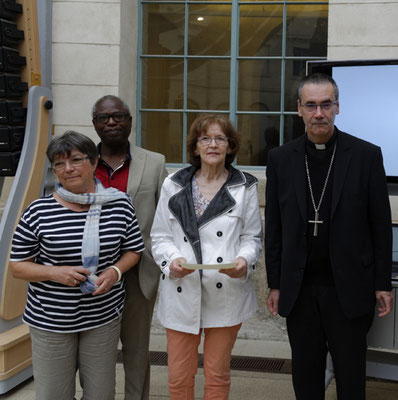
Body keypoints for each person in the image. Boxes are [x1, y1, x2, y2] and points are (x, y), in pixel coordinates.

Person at [265, 73, 393, 399]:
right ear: (299, 109)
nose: (318, 113)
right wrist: (275, 283)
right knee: (306, 379)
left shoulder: (365, 156)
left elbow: (380, 224)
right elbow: (275, 227)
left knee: (351, 380)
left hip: (349, 289)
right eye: (311, 105)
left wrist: (383, 283)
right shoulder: (281, 159)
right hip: (300, 289)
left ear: (337, 106)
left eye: (325, 104)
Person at [9, 131, 144, 400]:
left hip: (101, 317)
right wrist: (53, 272)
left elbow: (134, 250)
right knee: (53, 395)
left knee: (101, 394)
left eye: (76, 160)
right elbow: (17, 267)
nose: (68, 169)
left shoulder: (119, 205)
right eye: (59, 163)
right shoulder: (38, 212)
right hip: (51, 320)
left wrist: (114, 272)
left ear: (94, 162)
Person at [150, 115, 262, 400]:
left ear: (230, 146)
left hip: (225, 293)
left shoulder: (245, 185)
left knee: (217, 375)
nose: (213, 144)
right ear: (195, 146)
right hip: (181, 289)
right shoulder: (173, 184)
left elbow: (252, 237)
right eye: (205, 139)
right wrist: (171, 260)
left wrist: (244, 262)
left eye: (220, 139)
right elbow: (160, 236)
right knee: (178, 377)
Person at [91, 95, 168, 400]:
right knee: (96, 353)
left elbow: (166, 218)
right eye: (103, 117)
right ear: (94, 123)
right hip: (92, 276)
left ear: (130, 121)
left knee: (136, 352)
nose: (111, 122)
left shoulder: (154, 161)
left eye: (118, 116)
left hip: (137, 274)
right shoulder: (82, 161)